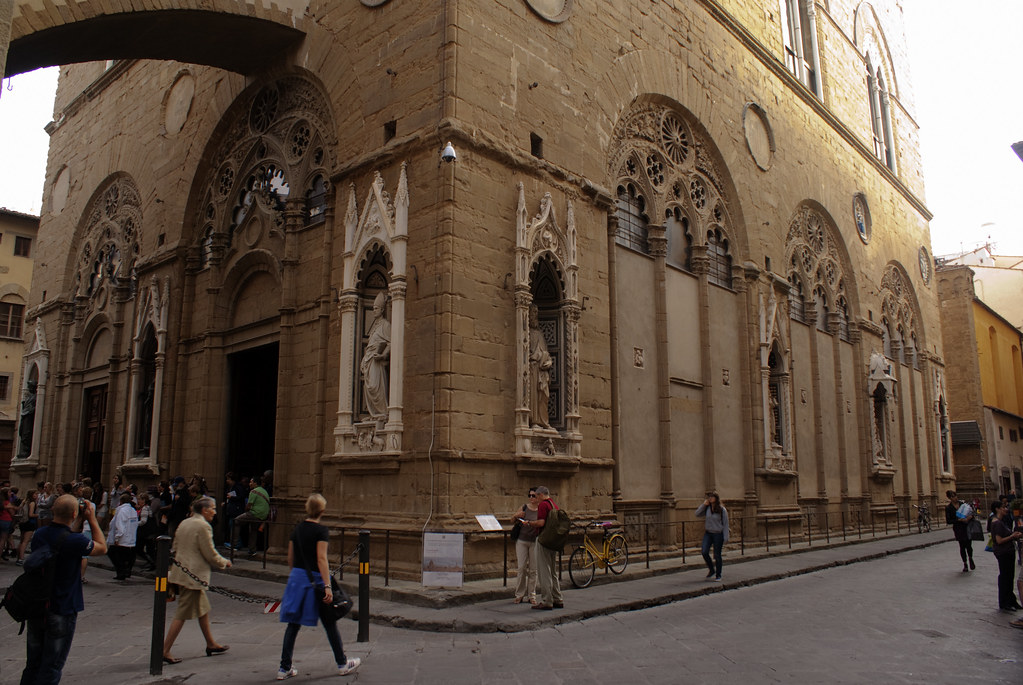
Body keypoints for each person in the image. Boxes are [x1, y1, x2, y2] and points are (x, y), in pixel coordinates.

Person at [19, 493, 107, 684]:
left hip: (37, 605)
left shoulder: (40, 535)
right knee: (52, 665)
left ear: (52, 511)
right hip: (62, 607)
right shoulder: (76, 542)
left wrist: (76, 520)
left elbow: (63, 537)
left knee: (33, 662)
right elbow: (102, 547)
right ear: (75, 513)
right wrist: (91, 519)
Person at [276, 493, 361, 680]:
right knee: (329, 622)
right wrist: (328, 586)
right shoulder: (321, 531)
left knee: (293, 625)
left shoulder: (296, 529)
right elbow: (322, 558)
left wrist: (297, 576)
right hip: (315, 580)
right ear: (322, 510)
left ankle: (284, 668)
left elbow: (290, 558)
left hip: (297, 579)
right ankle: (342, 663)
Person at [163, 496, 232, 664]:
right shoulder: (203, 526)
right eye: (213, 509)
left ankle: (210, 643)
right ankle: (164, 650)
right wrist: (224, 562)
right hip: (192, 577)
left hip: (182, 572)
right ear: (204, 510)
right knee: (182, 613)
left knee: (203, 609)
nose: (215, 512)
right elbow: (209, 551)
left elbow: (176, 546)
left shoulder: (185, 523)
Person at [528, 486, 563, 611]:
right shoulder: (553, 504)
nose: (536, 499)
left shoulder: (543, 505)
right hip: (553, 541)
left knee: (544, 571)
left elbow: (541, 523)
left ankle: (547, 600)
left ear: (541, 495)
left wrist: (530, 523)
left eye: (536, 496)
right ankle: (557, 598)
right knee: (553, 570)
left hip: (543, 540)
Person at [360, 291, 391, 423]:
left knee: (375, 386)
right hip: (369, 360)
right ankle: (374, 414)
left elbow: (390, 342)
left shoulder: (385, 325)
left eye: (376, 308)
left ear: (382, 310)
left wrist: (383, 355)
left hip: (377, 362)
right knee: (368, 387)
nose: (374, 311)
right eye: (372, 308)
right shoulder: (374, 326)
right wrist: (363, 360)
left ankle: (383, 413)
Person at [990, 500, 1023, 612]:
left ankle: (1011, 600)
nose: (1006, 509)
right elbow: (999, 540)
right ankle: (1005, 602)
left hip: (1007, 552)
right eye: (1003, 507)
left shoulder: (1000, 521)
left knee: (1009, 577)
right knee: (1005, 577)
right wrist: (1013, 536)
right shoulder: (997, 523)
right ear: (997, 509)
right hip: (1003, 553)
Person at [511, 487, 539, 605]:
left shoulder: (540, 510)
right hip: (522, 540)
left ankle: (532, 595)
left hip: (534, 541)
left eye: (534, 496)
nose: (531, 498)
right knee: (521, 568)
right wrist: (517, 515)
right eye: (530, 495)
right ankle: (519, 594)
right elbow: (512, 520)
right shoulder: (524, 507)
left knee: (533, 569)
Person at [228, 477, 270, 554]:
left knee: (236, 521)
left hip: (255, 513)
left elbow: (248, 506)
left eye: (251, 482)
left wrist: (245, 511)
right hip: (263, 515)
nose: (249, 484)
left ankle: (234, 544)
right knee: (253, 530)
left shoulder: (254, 491)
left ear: (255, 483)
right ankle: (252, 549)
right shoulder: (264, 491)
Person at [527, 304, 553, 429]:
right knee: (533, 396)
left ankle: (544, 421)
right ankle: (535, 421)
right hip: (532, 369)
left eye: (537, 313)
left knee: (543, 396)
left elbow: (546, 352)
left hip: (542, 371)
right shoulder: (526, 333)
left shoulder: (540, 334)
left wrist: (549, 362)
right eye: (533, 313)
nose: (535, 315)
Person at [696, 492, 729, 581]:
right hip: (708, 533)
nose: (710, 498)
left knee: (717, 555)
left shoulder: (722, 510)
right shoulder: (707, 508)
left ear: (716, 498)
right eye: (709, 497)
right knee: (704, 551)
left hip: (718, 534)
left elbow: (726, 524)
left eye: (712, 497)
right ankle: (711, 569)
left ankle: (718, 575)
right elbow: (697, 514)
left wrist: (726, 537)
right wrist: (703, 505)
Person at [107, 492, 139, 580]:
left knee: (113, 554)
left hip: (122, 538)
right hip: (130, 538)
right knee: (124, 556)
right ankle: (125, 571)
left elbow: (119, 524)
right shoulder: (132, 510)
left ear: (121, 501)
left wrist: (117, 537)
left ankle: (121, 572)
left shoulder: (122, 511)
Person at [945, 490, 975, 572]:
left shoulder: (963, 505)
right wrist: (958, 520)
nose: (954, 498)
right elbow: (949, 520)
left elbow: (971, 513)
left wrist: (969, 517)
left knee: (969, 545)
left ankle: (970, 558)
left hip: (967, 526)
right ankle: (965, 563)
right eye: (952, 497)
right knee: (962, 546)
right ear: (949, 498)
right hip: (958, 528)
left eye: (955, 496)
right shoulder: (949, 508)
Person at [16, 489, 39, 564]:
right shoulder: (32, 503)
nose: (37, 495)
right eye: (35, 494)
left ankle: (18, 557)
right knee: (25, 541)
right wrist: (39, 515)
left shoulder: (24, 501)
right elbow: (31, 514)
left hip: (23, 522)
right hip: (30, 523)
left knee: (22, 540)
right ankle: (21, 558)